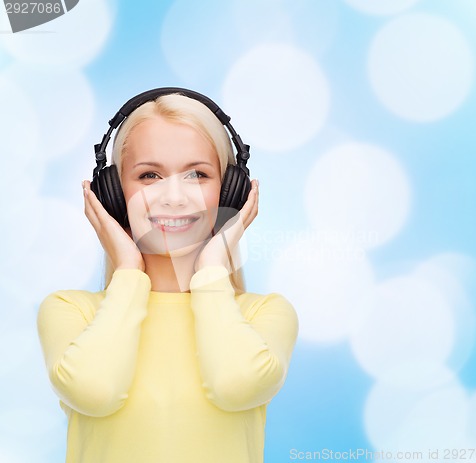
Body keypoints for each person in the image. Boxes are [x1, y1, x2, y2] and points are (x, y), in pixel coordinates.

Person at [37, 90, 299, 463]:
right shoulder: (70, 311)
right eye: (149, 175)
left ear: (231, 191)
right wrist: (129, 270)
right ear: (113, 194)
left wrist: (211, 272)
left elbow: (235, 385)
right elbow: (95, 391)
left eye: (197, 175)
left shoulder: (264, 315)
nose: (174, 198)